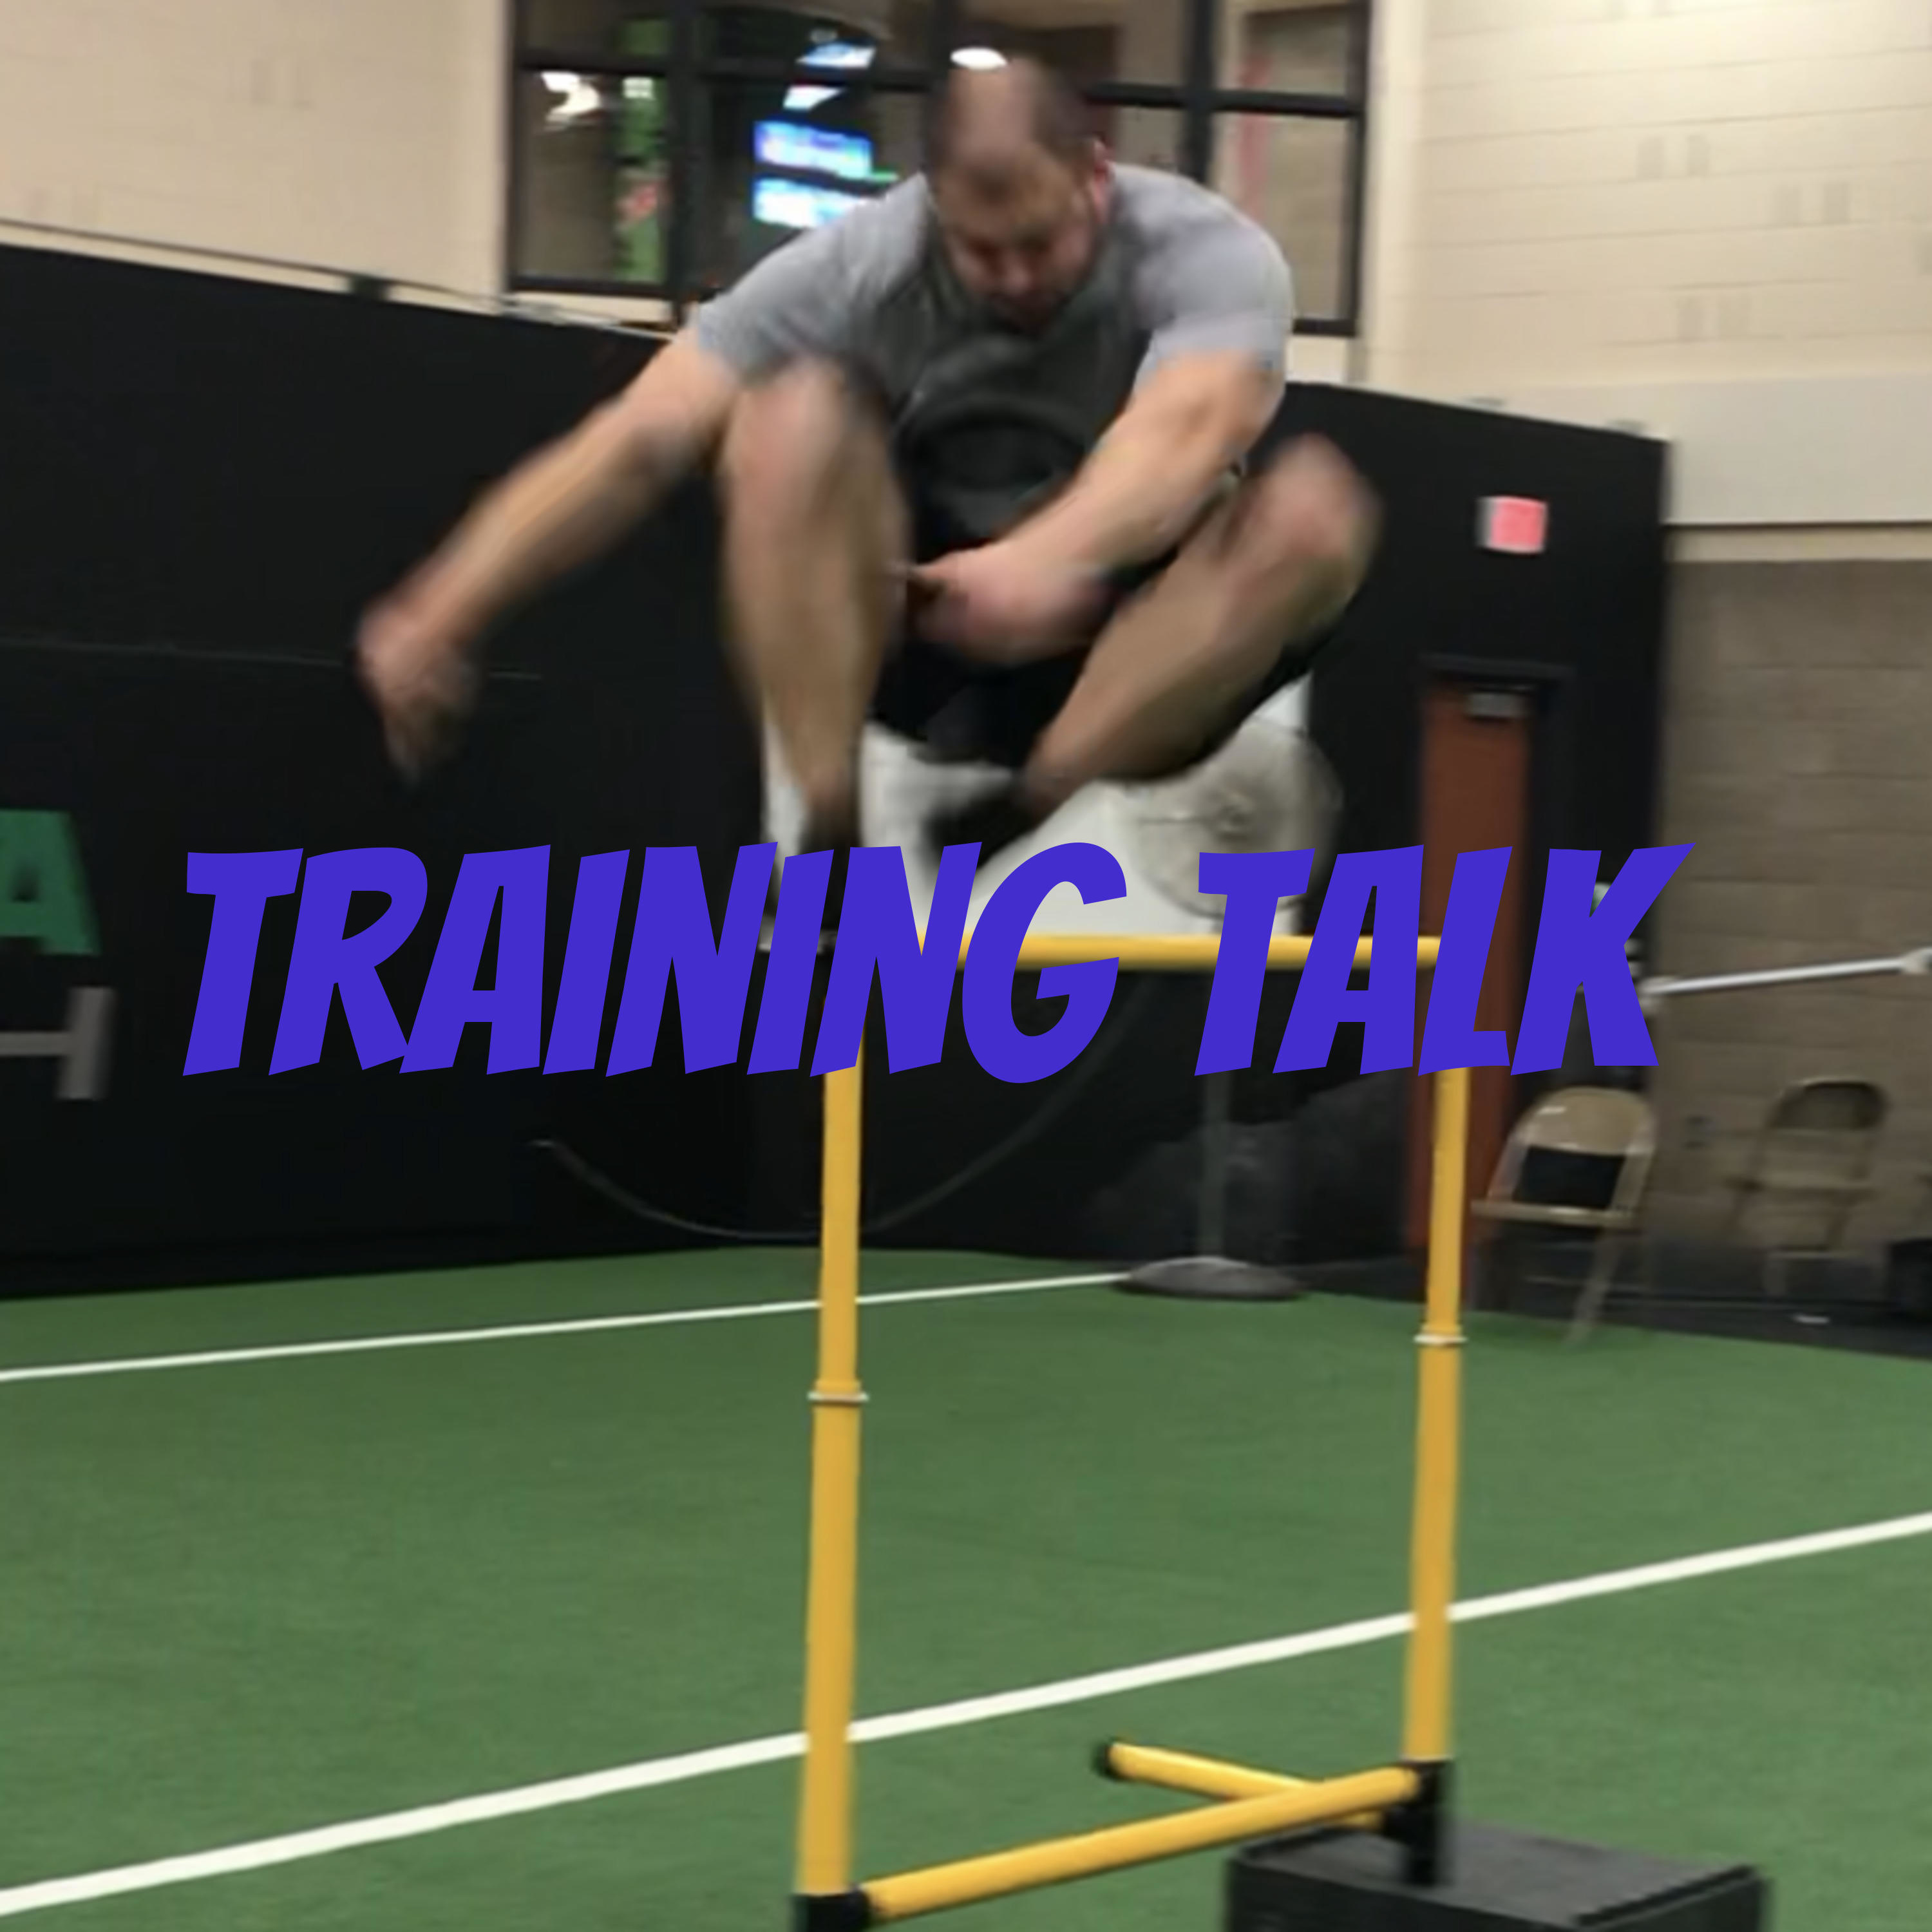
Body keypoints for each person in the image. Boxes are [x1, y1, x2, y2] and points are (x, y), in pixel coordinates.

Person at [355, 57, 1377, 896]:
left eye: (1041, 243)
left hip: (1132, 647)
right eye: (982, 253)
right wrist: (439, 607)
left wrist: (1040, 559)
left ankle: (1032, 799)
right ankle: (829, 817)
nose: (1017, 279)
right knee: (787, 415)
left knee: (1314, 514)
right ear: (934, 208)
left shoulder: (1205, 251)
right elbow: (635, 443)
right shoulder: (864, 263)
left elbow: (1182, 433)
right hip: (923, 625)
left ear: (1097, 180)